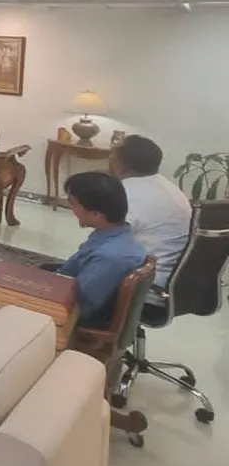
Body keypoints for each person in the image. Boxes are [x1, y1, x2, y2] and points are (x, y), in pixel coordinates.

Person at [55, 171, 149, 329]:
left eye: (74, 204)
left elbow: (80, 306)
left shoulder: (110, 257)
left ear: (96, 214)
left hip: (74, 317)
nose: (72, 210)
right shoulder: (119, 239)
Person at [109, 135, 192, 286]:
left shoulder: (126, 194)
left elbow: (108, 245)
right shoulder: (169, 187)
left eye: (111, 154)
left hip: (142, 284)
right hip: (173, 280)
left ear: (120, 166)